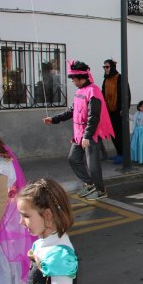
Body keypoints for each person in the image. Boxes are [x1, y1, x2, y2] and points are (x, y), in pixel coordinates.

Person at [11, 179, 90, 284]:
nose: (21, 222)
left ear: (48, 215)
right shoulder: (44, 242)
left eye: (26, 216)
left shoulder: (59, 256)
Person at [43, 60, 114, 200]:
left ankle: (101, 190)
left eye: (73, 79)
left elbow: (94, 116)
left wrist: (87, 136)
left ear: (81, 77)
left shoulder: (94, 91)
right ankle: (90, 184)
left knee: (92, 165)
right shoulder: (80, 91)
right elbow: (72, 111)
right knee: (73, 159)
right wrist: (54, 119)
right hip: (78, 134)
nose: (72, 81)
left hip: (90, 135)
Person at [0, 138, 33, 284]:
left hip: (4, 220)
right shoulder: (1, 163)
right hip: (7, 216)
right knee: (7, 259)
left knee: (3, 259)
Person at [101, 59, 130, 164]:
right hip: (109, 111)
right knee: (112, 133)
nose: (105, 69)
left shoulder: (120, 78)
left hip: (119, 111)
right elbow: (103, 93)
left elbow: (126, 93)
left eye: (107, 67)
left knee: (119, 134)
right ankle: (118, 153)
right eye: (104, 67)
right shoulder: (106, 79)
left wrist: (124, 108)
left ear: (112, 67)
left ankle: (123, 155)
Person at [130, 100, 143, 165]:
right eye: (141, 106)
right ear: (138, 107)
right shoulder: (137, 113)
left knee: (142, 146)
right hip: (136, 132)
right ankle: (136, 158)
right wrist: (126, 114)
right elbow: (133, 118)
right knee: (134, 145)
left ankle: (142, 160)